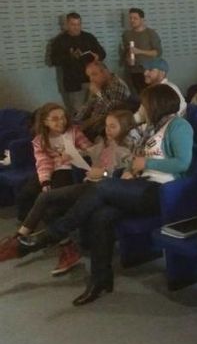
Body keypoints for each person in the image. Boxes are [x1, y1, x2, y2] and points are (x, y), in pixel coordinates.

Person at [16, 84, 194, 306]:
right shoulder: (151, 128)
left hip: (160, 191)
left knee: (102, 187)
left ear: (157, 104)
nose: (142, 107)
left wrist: (144, 162)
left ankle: (51, 234)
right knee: (101, 216)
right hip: (138, 184)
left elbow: (183, 162)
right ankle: (100, 280)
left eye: (145, 103)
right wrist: (130, 167)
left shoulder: (179, 126)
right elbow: (133, 157)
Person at [0, 110, 135, 275]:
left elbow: (124, 174)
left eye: (113, 126)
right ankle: (19, 238)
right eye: (106, 126)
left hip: (103, 187)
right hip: (89, 183)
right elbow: (90, 152)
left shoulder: (127, 148)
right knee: (43, 196)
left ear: (126, 127)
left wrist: (104, 173)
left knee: (54, 207)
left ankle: (25, 243)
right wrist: (72, 155)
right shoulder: (104, 142)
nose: (107, 130)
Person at [15, 103, 92, 224]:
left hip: (68, 169)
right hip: (49, 169)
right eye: (55, 119)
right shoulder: (40, 140)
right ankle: (26, 224)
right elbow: (43, 162)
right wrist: (45, 181)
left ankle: (53, 226)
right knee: (27, 193)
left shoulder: (74, 132)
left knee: (54, 195)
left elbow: (90, 150)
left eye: (63, 117)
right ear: (45, 122)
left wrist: (76, 153)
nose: (61, 122)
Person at [49, 12, 106, 112]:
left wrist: (98, 56)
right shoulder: (60, 40)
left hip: (92, 79)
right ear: (67, 24)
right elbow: (53, 60)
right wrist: (69, 56)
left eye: (78, 24)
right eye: (73, 25)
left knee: (97, 108)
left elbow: (102, 53)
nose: (76, 27)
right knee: (79, 111)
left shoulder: (89, 37)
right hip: (73, 82)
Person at [75, 61, 131, 140]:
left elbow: (113, 108)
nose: (91, 79)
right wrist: (75, 121)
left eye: (94, 74)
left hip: (101, 126)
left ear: (105, 72)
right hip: (90, 122)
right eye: (89, 76)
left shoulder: (117, 85)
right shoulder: (100, 84)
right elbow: (88, 106)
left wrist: (98, 93)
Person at [121, 8, 162, 93]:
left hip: (149, 71)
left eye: (135, 18)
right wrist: (128, 58)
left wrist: (140, 51)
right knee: (140, 95)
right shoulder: (127, 34)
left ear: (142, 19)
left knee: (152, 94)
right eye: (130, 18)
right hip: (134, 71)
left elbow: (157, 52)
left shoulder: (150, 33)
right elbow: (126, 51)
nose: (132, 20)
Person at [134, 59, 186, 123]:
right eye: (145, 70)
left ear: (162, 73)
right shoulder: (151, 90)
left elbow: (180, 113)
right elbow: (141, 115)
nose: (145, 73)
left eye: (150, 70)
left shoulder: (170, 89)